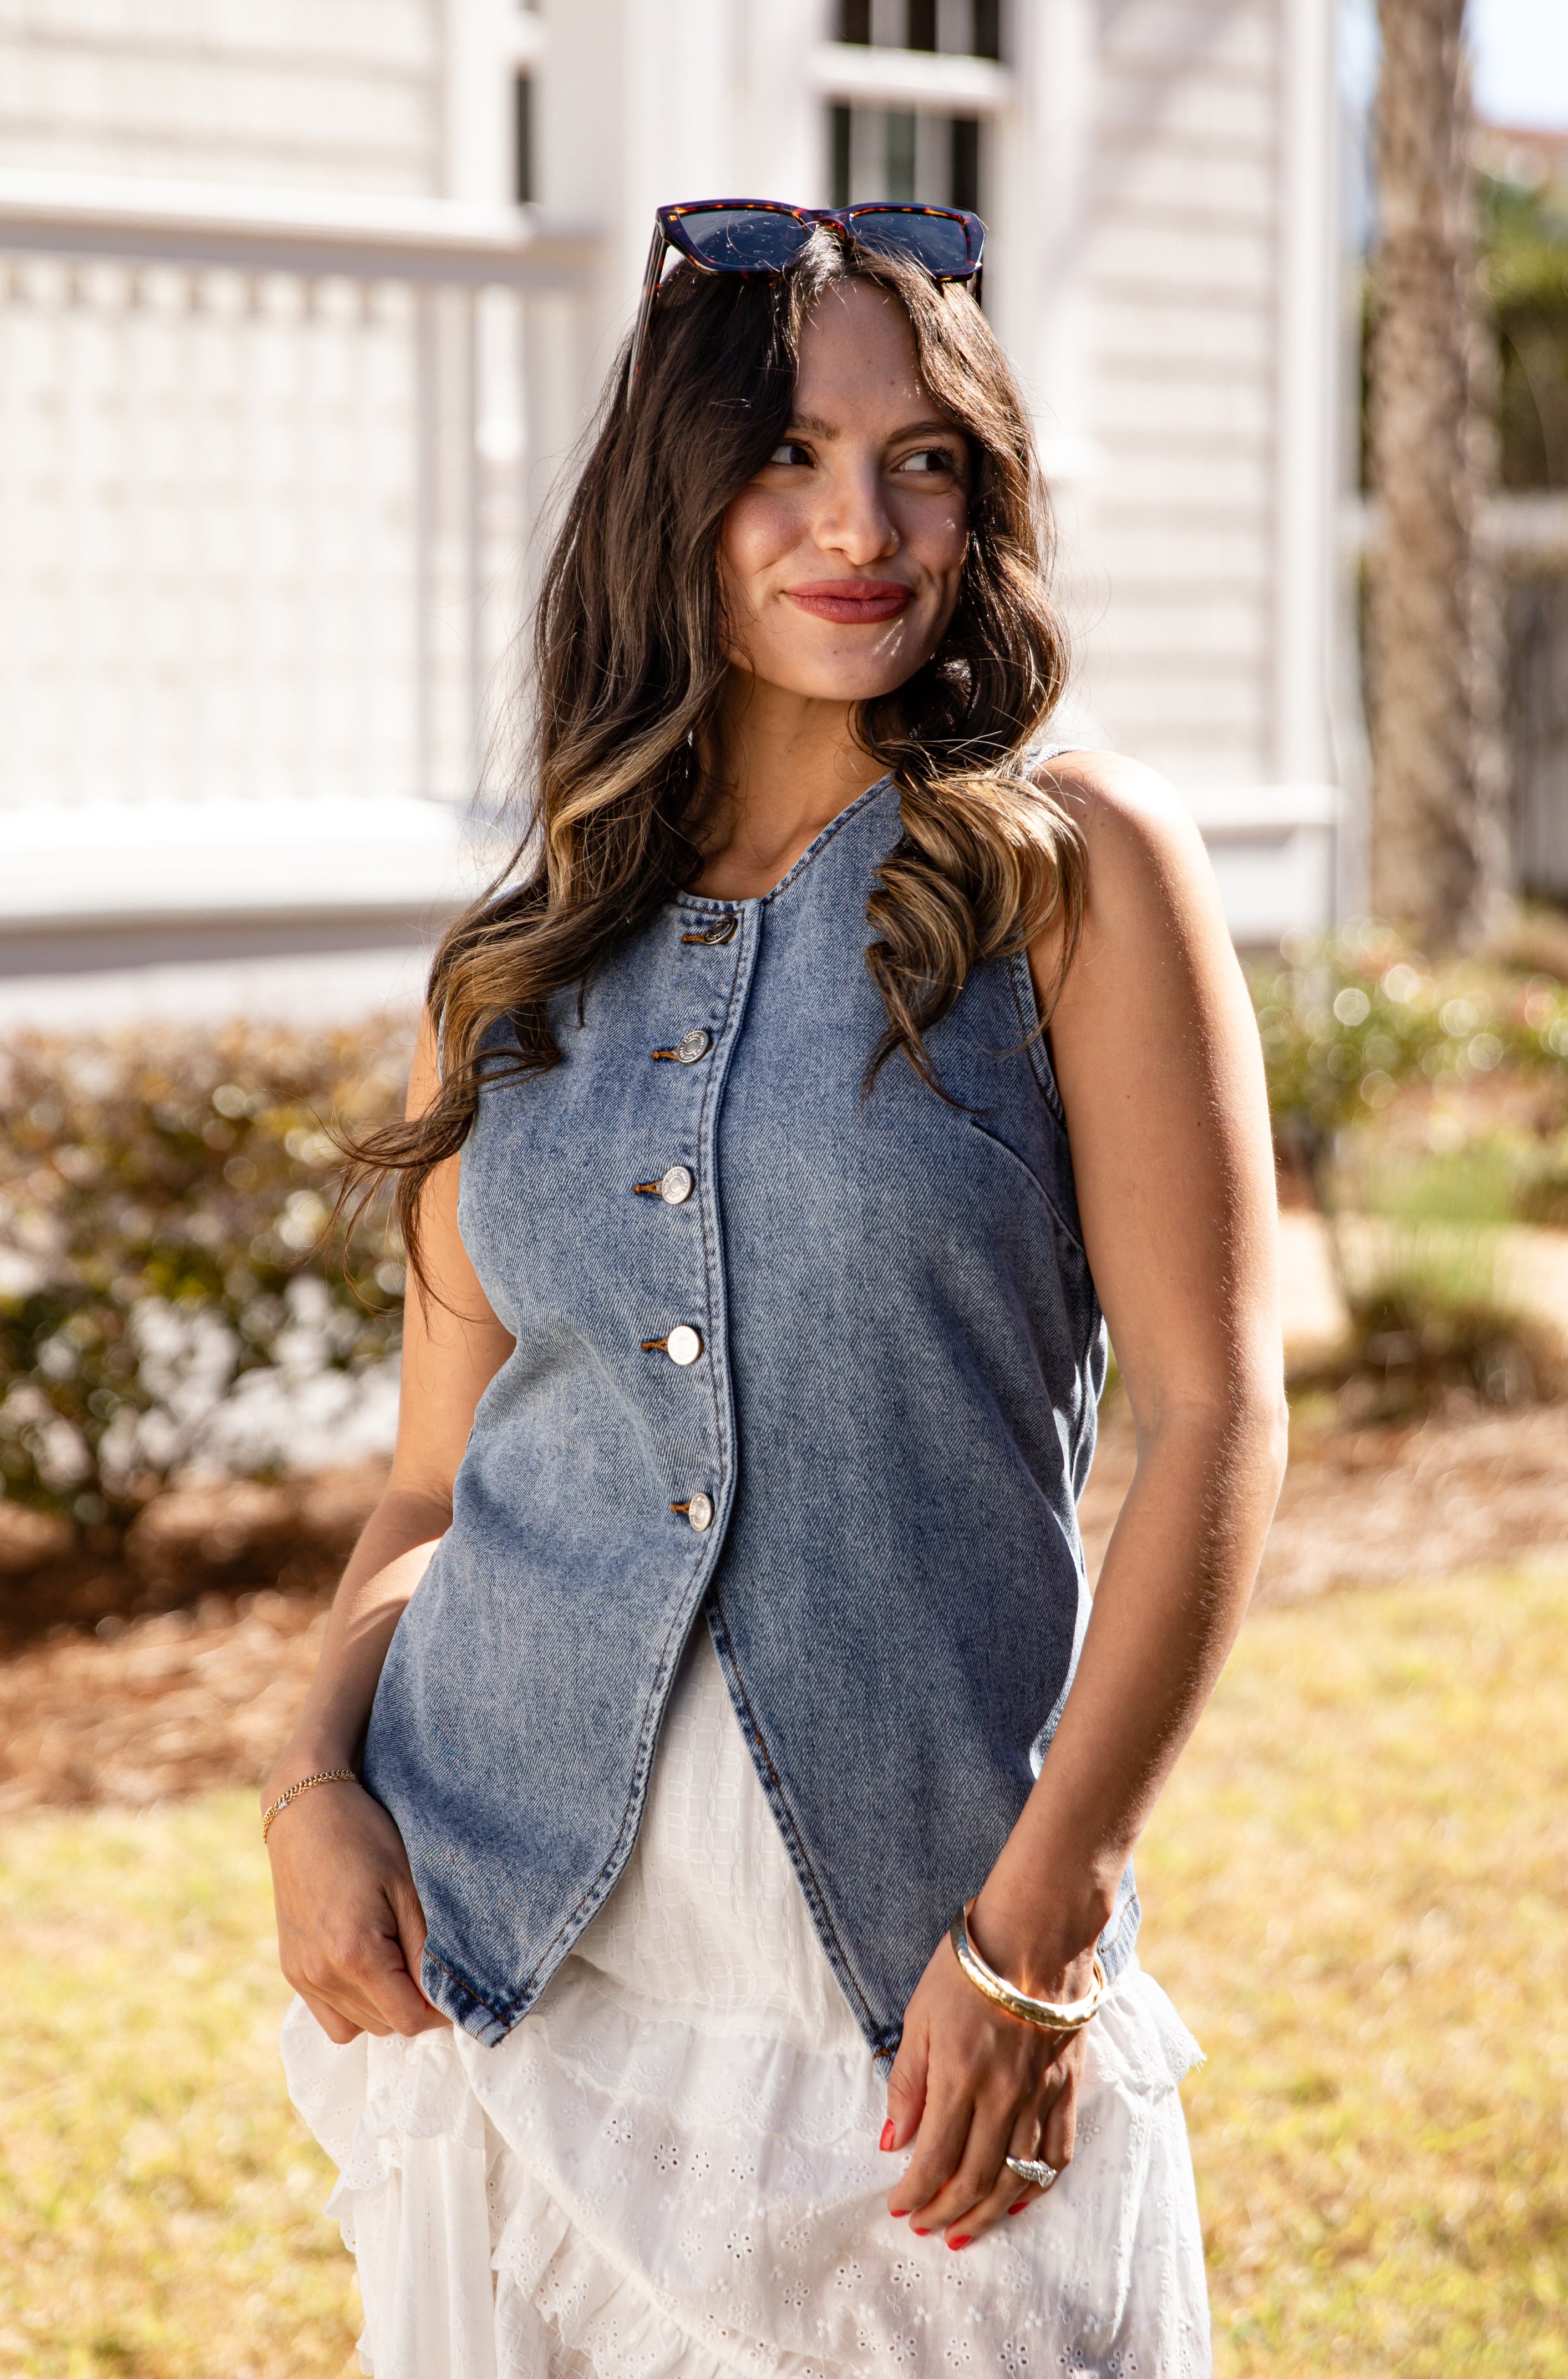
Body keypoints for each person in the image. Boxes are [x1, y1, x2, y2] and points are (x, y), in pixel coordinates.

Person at [263, 201, 1286, 2379]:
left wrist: (1035, 1937)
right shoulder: (521, 956)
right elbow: (431, 1491)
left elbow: (1213, 1418)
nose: (860, 524)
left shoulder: (1068, 866)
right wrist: (309, 1785)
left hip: (917, 1975)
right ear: (678, 494)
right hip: (508, 1967)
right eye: (788, 457)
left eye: (925, 461)